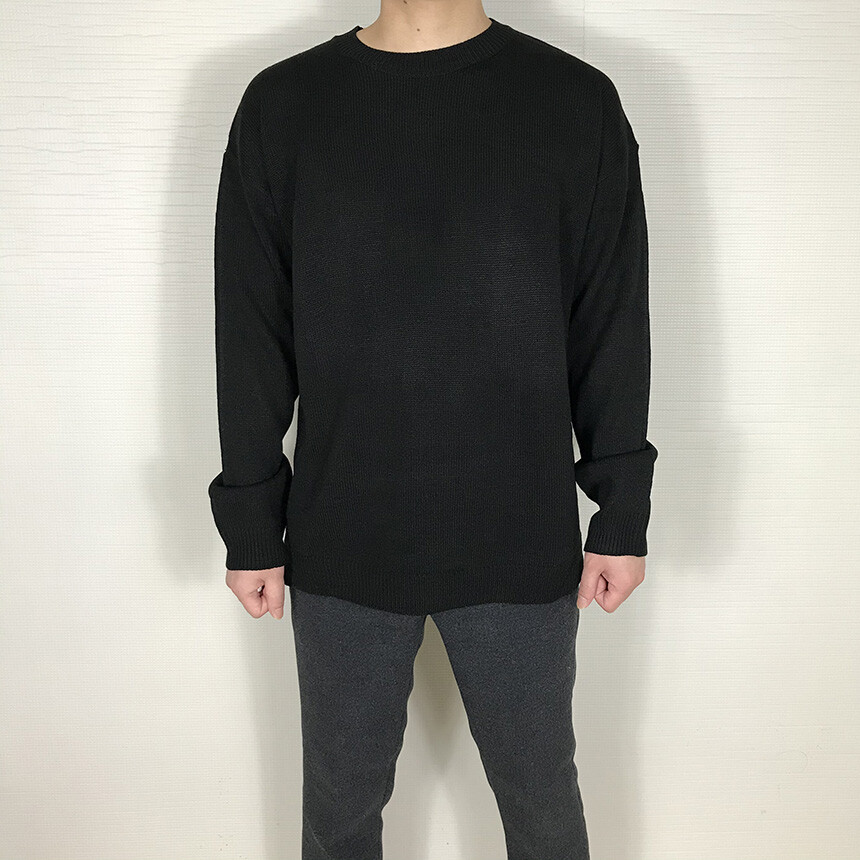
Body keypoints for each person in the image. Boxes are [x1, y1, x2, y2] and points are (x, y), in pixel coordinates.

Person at [207, 3, 658, 858]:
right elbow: (252, 331)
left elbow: (610, 318)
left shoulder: (574, 100)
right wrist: (251, 523)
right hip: (344, 528)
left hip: (518, 526)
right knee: (338, 817)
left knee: (542, 808)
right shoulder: (284, 104)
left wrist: (621, 509)